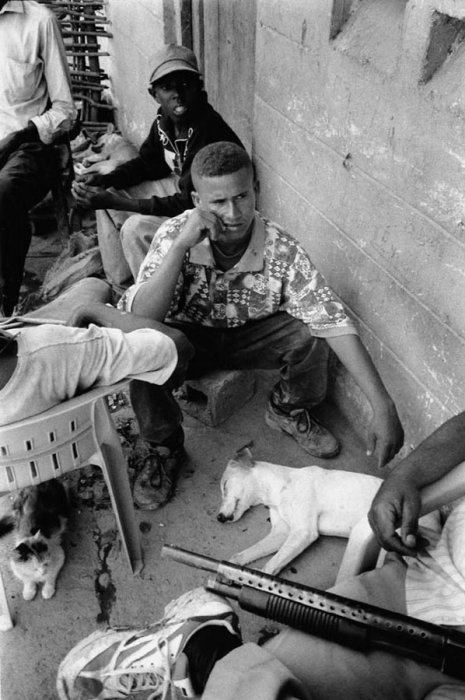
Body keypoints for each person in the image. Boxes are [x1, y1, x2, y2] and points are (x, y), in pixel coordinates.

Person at [56, 410, 465, 700]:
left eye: (225, 488)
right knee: (283, 668)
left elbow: (302, 533)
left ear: (245, 465)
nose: (224, 502)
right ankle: (203, 653)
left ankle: (205, 657)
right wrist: (239, 565)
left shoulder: (305, 484)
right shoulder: (282, 500)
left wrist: (266, 575)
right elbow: (280, 536)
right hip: (428, 573)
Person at [117, 140, 404, 510]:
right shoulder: (175, 234)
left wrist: (383, 405)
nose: (233, 212)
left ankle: (286, 409)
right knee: (145, 344)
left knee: (312, 331)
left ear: (256, 190)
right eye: (218, 202)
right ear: (195, 200)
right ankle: (163, 445)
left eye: (242, 196)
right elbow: (142, 318)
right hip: (189, 340)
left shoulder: (281, 249)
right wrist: (180, 249)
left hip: (248, 338)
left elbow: (334, 321)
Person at [72, 43, 243, 290]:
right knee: (107, 194)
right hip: (185, 194)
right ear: (154, 94)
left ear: (199, 86)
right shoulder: (164, 122)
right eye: (167, 88)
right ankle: (121, 286)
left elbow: (188, 202)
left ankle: (152, 300)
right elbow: (147, 165)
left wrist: (117, 203)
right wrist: (105, 181)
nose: (178, 94)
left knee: (134, 228)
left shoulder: (205, 128)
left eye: (186, 84)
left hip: (212, 212)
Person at [0, 279, 194, 428]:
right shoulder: (54, 348)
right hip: (53, 355)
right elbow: (177, 345)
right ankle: (166, 442)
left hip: (12, 460)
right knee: (95, 286)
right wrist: (91, 309)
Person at [0, 0, 76, 316]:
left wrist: (18, 136)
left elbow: (65, 111)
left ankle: (7, 300)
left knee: (2, 192)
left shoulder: (39, 22)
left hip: (27, 145)